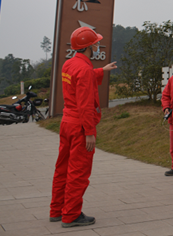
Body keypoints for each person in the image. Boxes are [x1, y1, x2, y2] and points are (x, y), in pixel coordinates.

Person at [50, 26, 117, 227]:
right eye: (95, 42)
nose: (98, 45)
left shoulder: (69, 65)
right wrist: (89, 132)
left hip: (67, 123)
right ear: (88, 46)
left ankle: (57, 210)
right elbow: (86, 104)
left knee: (62, 168)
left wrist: (100, 71)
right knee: (78, 172)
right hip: (80, 125)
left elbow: (81, 78)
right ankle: (71, 215)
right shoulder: (85, 69)